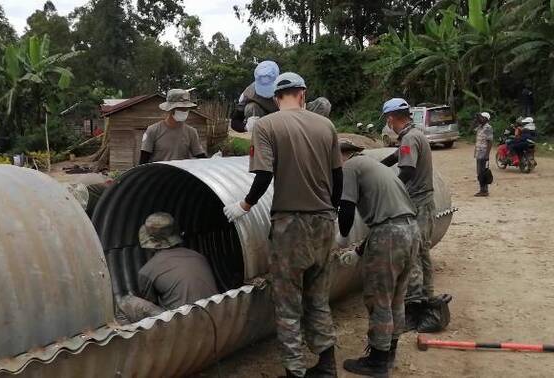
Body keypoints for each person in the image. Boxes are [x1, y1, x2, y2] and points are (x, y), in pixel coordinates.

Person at [223, 72, 343, 378]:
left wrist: (244, 205)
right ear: (302, 94)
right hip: (325, 221)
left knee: (288, 302)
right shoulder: (326, 125)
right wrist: (331, 211)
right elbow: (338, 178)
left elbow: (263, 176)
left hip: (290, 225)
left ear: (277, 98)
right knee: (318, 297)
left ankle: (294, 371)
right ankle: (327, 366)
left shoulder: (267, 125)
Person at [337, 140, 419, 378]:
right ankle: (389, 352)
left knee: (379, 298)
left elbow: (346, 210)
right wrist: (360, 251)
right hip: (410, 231)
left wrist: (342, 241)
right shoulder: (376, 168)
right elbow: (388, 217)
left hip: (390, 236)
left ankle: (377, 361)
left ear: (341, 156)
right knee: (396, 297)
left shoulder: (349, 168)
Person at [379, 98, 435, 329]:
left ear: (392, 118)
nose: (388, 124)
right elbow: (397, 157)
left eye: (388, 119)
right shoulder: (415, 135)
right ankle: (428, 300)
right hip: (425, 201)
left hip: (418, 203)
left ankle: (416, 308)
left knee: (413, 255)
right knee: (422, 252)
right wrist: (377, 166)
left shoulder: (409, 138)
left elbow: (408, 169)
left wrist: (392, 188)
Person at [137, 212, 219, 310]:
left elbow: (151, 305)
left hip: (185, 322)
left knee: (128, 305)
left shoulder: (147, 271)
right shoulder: (197, 256)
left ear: (151, 244)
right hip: (218, 313)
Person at [230, 61, 333, 132]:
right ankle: (263, 140)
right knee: (250, 108)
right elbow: (234, 121)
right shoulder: (248, 93)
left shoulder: (291, 82)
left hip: (295, 117)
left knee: (323, 104)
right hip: (269, 122)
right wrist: (246, 127)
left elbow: (305, 102)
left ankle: (311, 134)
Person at [139, 89, 207, 164]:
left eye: (186, 109)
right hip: (159, 173)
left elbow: (200, 156)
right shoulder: (153, 130)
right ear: (170, 109)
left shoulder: (191, 132)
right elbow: (143, 161)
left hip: (180, 174)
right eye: (180, 108)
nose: (184, 111)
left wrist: (214, 161)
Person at [474, 112, 494, 197]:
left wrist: (487, 154)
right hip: (478, 153)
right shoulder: (480, 127)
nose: (480, 119)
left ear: (486, 119)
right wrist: (477, 120)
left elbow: (490, 141)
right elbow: (472, 130)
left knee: (483, 173)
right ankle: (483, 189)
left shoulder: (488, 128)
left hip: (484, 153)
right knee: (479, 172)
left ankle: (484, 190)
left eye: (482, 117)